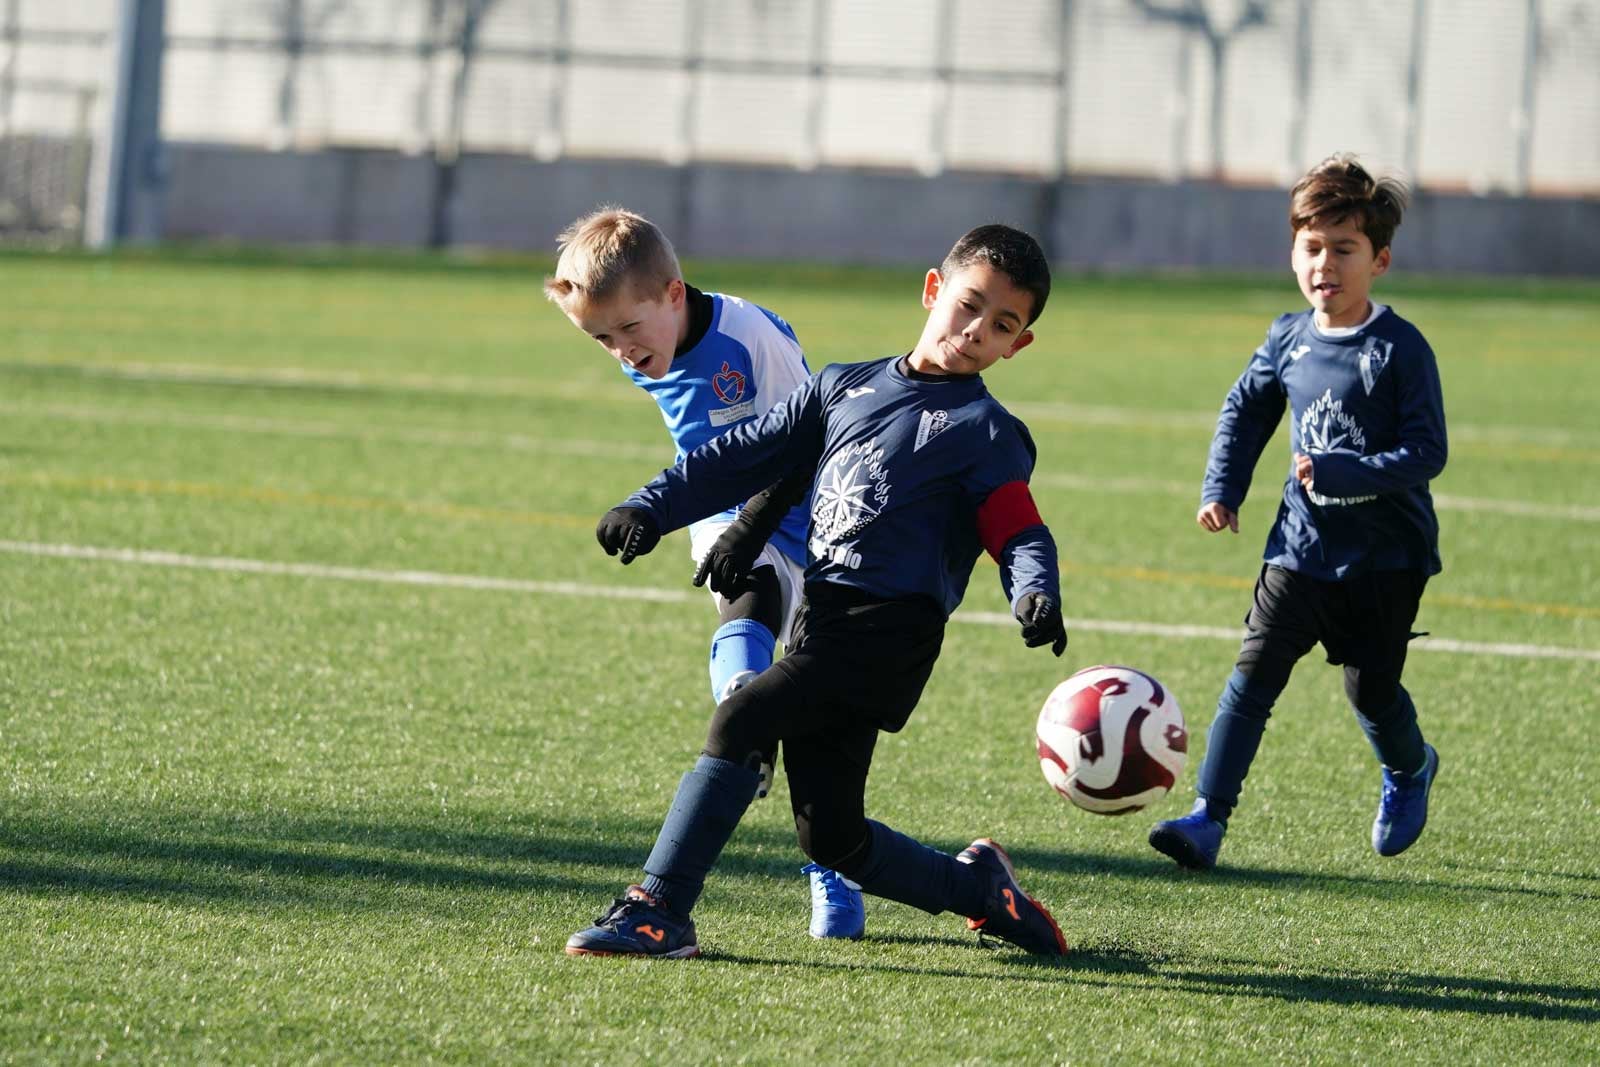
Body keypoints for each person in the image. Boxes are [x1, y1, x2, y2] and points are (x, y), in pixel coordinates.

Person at [564, 224, 1072, 959]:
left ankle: (658, 908)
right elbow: (740, 455)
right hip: (823, 621)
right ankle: (981, 891)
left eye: (1001, 325)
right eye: (968, 305)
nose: (974, 331)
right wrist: (651, 504)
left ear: (1016, 345)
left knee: (741, 717)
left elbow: (1016, 526)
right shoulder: (843, 385)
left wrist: (1035, 587)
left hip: (887, 634)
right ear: (934, 291)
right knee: (833, 835)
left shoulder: (988, 431)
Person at [544, 207, 866, 938]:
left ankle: (832, 871)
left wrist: (754, 518)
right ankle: (747, 729)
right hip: (727, 510)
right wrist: (665, 507)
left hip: (818, 512)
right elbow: (710, 453)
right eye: (601, 338)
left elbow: (808, 439)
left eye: (629, 329)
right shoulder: (649, 344)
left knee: (821, 720)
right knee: (744, 610)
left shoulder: (749, 338)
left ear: (674, 293)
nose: (622, 351)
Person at [1149, 154, 1448, 871]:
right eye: (1312, 248)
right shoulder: (1288, 337)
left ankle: (1411, 769)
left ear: (1379, 260)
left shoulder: (1400, 348)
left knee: (1371, 691)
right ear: (1293, 252)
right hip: (1299, 548)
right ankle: (1207, 818)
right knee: (1252, 675)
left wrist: (1343, 470)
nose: (1326, 265)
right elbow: (1245, 407)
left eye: (1343, 250)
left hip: (1387, 557)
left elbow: (1426, 451)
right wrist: (1222, 485)